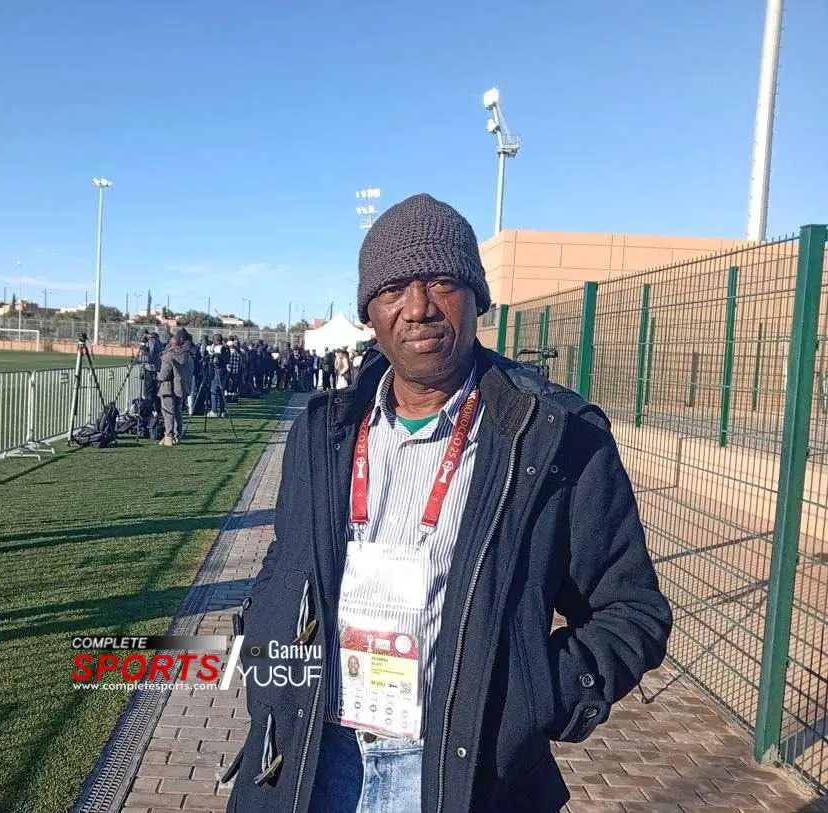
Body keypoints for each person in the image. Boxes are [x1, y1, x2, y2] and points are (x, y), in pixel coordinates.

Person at [226, 194, 671, 813]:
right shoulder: (320, 434)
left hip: (457, 775)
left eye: (441, 282)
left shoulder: (555, 437)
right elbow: (286, 562)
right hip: (311, 761)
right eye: (393, 290)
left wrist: (531, 694)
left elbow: (630, 611)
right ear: (370, 314)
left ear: (477, 298)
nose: (418, 308)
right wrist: (266, 653)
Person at [157, 336, 186, 446]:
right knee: (178, 412)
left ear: (170, 344)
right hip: (180, 387)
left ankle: (168, 436)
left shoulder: (168, 356)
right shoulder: (185, 355)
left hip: (168, 388)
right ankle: (177, 435)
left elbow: (163, 375)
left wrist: (156, 375)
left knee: (168, 412)